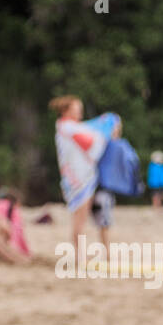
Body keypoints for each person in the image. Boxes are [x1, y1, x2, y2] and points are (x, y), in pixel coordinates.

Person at [50, 95, 120, 251]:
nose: (80, 112)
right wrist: (108, 125)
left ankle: (99, 255)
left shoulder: (68, 128)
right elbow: (92, 141)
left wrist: (108, 122)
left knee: (95, 218)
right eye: (76, 109)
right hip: (80, 180)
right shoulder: (68, 129)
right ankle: (79, 257)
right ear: (65, 111)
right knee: (80, 222)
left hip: (84, 179)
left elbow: (89, 129)